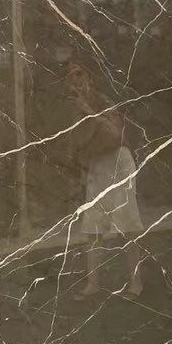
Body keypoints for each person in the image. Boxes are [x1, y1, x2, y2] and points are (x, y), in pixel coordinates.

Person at [66, 61, 144, 297]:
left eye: (80, 75)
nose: (76, 82)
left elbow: (114, 135)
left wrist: (89, 112)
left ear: (90, 78)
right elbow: (76, 144)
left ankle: (136, 283)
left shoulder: (104, 102)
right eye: (71, 78)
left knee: (127, 225)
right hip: (97, 165)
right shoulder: (73, 110)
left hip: (118, 162)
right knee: (92, 229)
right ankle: (93, 285)